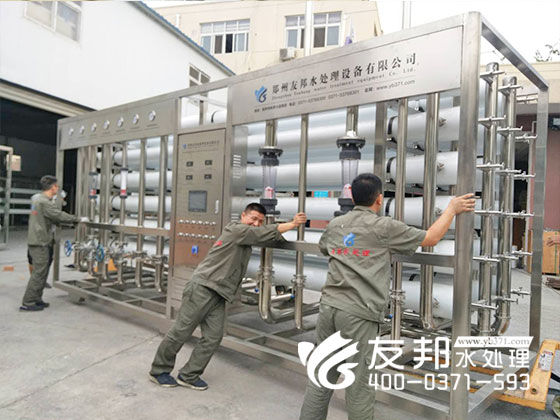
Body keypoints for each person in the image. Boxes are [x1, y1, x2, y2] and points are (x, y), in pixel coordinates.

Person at [299, 173, 476, 420]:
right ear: (380, 199)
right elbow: (431, 238)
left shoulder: (335, 224)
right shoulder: (384, 227)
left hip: (329, 308)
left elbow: (325, 248)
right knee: (359, 384)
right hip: (359, 313)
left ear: (352, 197)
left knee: (322, 375)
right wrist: (451, 209)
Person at [149, 203, 307, 390]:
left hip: (220, 293)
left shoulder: (248, 236)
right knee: (181, 331)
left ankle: (189, 375)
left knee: (213, 337)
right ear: (243, 216)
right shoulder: (236, 230)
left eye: (260, 221)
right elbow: (261, 233)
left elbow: (266, 235)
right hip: (203, 288)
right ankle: (159, 371)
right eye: (253, 219)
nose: (256, 223)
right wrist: (293, 224)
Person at [20, 175, 82, 311]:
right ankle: (28, 302)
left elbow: (50, 217)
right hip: (40, 241)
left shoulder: (37, 198)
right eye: (56, 186)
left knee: (42, 273)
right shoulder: (44, 202)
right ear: (52, 187)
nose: (57, 188)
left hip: (39, 239)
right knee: (39, 273)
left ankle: (37, 299)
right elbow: (57, 215)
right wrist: (77, 219)